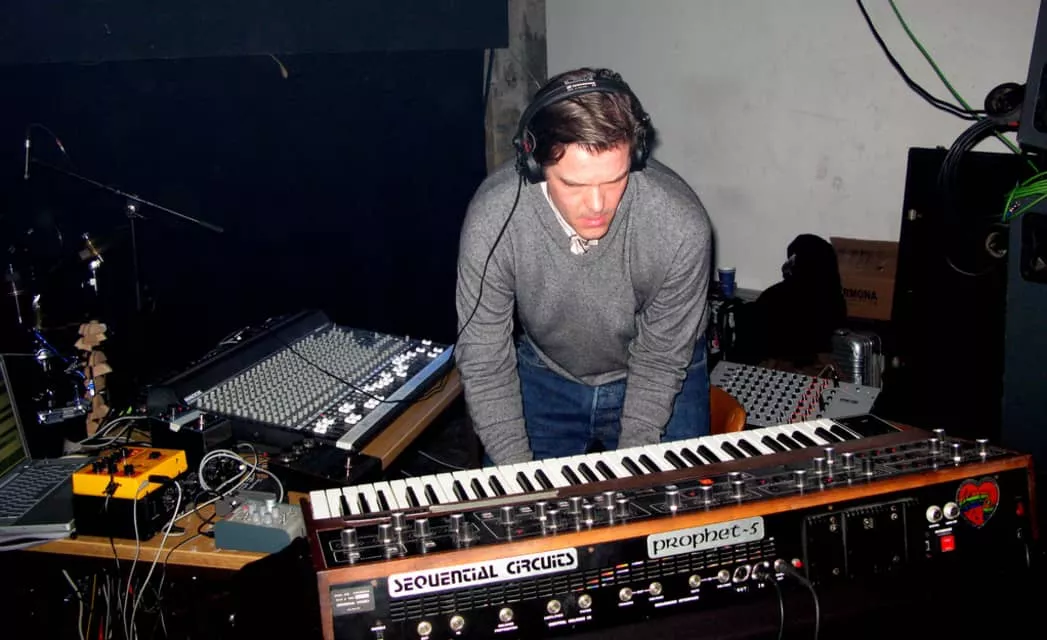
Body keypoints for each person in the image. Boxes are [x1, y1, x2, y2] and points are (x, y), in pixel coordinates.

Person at [454, 67, 713, 466]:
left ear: (635, 157)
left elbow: (659, 360)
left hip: (663, 368)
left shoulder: (679, 225)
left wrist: (633, 471)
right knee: (515, 502)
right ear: (534, 164)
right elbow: (484, 357)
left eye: (614, 179)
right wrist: (517, 479)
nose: (597, 205)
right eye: (574, 185)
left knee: (665, 502)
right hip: (548, 370)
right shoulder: (494, 219)